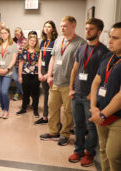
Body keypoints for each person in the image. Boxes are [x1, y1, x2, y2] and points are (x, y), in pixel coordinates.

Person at [68, 18, 109, 167]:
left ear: (99, 32)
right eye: (86, 28)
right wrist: (71, 88)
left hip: (90, 97)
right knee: (78, 125)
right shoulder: (81, 48)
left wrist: (94, 94)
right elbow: (75, 69)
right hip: (76, 94)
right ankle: (78, 150)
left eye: (91, 29)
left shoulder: (104, 52)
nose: (87, 31)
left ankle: (89, 153)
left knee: (91, 127)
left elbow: (105, 77)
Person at [40, 16, 85, 146]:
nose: (62, 28)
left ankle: (65, 134)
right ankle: (53, 132)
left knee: (68, 111)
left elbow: (81, 65)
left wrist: (75, 85)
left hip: (69, 84)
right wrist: (49, 75)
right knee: (52, 108)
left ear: (73, 26)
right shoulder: (58, 40)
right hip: (55, 81)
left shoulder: (80, 43)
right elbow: (53, 59)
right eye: (61, 26)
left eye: (65, 26)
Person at [89, 22, 121, 171]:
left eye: (115, 38)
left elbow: (120, 97)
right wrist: (94, 108)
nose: (110, 41)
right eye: (110, 37)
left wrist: (101, 115)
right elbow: (96, 82)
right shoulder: (108, 56)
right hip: (100, 113)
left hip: (116, 118)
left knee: (113, 155)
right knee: (102, 150)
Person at [34, 20, 58, 125]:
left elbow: (55, 59)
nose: (46, 28)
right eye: (45, 27)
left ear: (53, 29)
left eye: (49, 27)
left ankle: (53, 119)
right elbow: (40, 57)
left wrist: (48, 74)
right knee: (46, 94)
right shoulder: (43, 42)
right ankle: (44, 117)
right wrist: (39, 72)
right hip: (43, 70)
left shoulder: (56, 42)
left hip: (52, 71)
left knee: (52, 96)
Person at [0, 27, 18, 119]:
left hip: (8, 72)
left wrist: (7, 69)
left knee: (4, 91)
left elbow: (14, 59)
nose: (3, 35)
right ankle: (2, 109)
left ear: (8, 34)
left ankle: (6, 110)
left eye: (5, 33)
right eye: (1, 33)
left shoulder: (13, 45)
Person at [17, 35, 40, 117]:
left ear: (36, 42)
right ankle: (23, 109)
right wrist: (19, 76)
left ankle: (36, 110)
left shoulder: (38, 52)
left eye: (34, 40)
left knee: (35, 93)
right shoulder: (23, 51)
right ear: (28, 41)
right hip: (25, 74)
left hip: (35, 75)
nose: (32, 42)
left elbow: (40, 63)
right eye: (31, 40)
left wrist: (40, 74)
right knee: (25, 92)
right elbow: (20, 64)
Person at [12, 27, 26, 101]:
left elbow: (26, 51)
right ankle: (25, 94)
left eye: (18, 34)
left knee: (20, 79)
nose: (17, 36)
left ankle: (17, 93)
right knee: (16, 79)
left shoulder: (25, 41)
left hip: (22, 63)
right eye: (16, 34)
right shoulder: (13, 40)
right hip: (14, 62)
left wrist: (21, 51)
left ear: (21, 34)